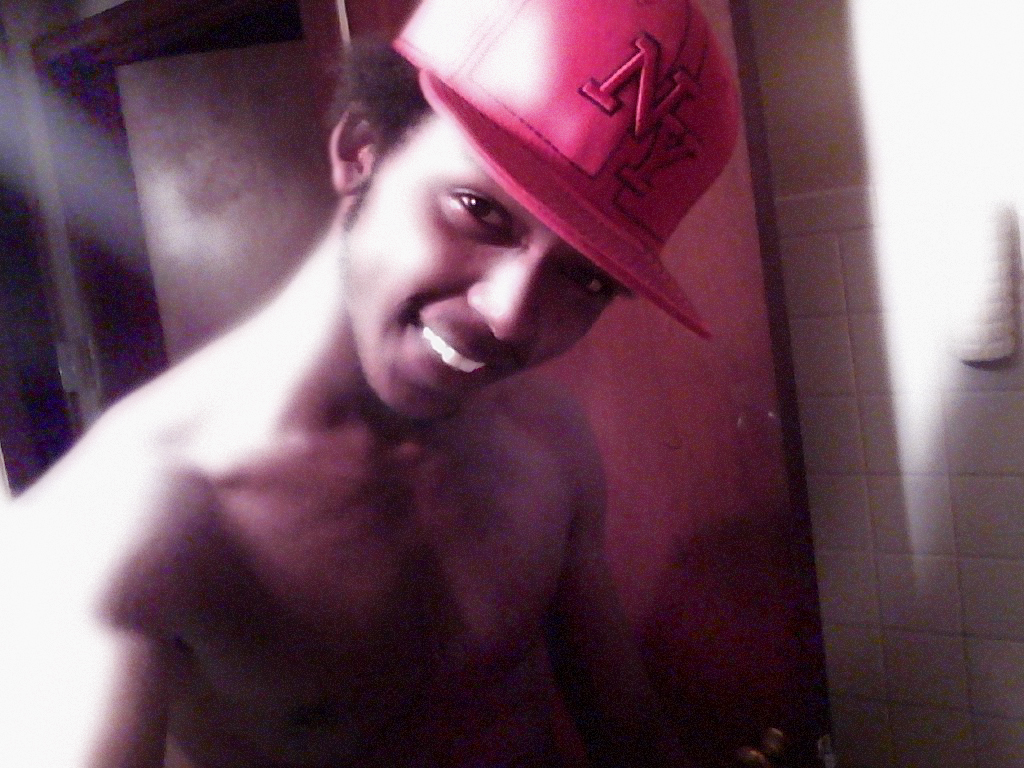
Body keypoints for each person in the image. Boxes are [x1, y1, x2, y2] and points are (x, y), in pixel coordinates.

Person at [0, 0, 738, 765]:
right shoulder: (122, 520)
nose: (511, 316)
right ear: (361, 152)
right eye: (479, 211)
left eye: (585, 279)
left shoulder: (549, 440)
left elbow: (632, 737)